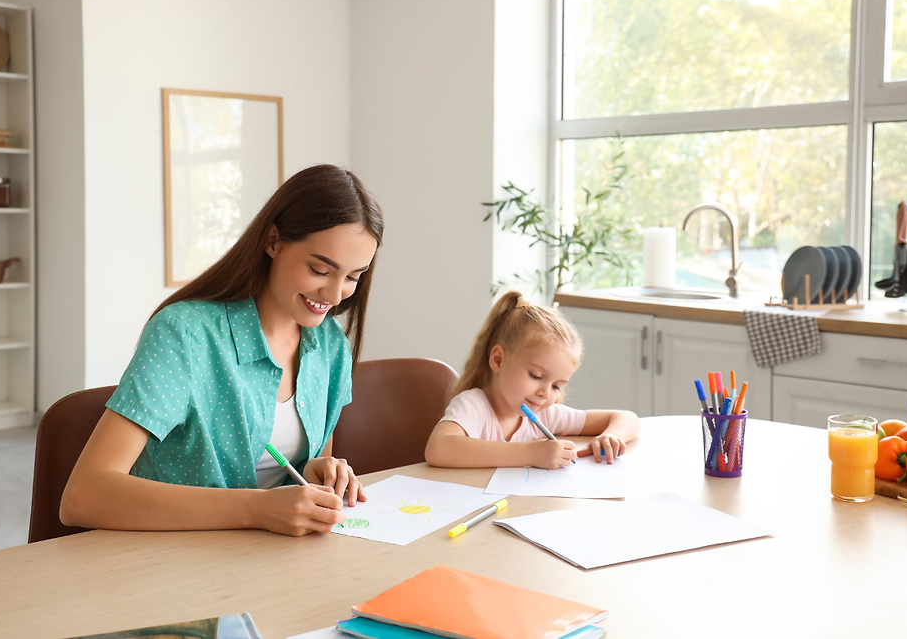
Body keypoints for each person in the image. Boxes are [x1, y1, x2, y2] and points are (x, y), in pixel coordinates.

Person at [61, 164, 383, 537]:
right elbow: (84, 496)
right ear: (273, 241)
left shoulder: (329, 345)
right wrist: (257, 508)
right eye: (319, 269)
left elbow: (308, 464)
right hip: (168, 560)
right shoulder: (185, 333)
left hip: (266, 559)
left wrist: (314, 472)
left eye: (354, 277)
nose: (334, 294)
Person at [424, 290, 639, 469]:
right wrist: (531, 454)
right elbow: (438, 449)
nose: (545, 393)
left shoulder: (543, 413)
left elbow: (626, 417)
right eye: (536, 376)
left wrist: (612, 435)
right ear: (498, 360)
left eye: (556, 385)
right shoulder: (474, 405)